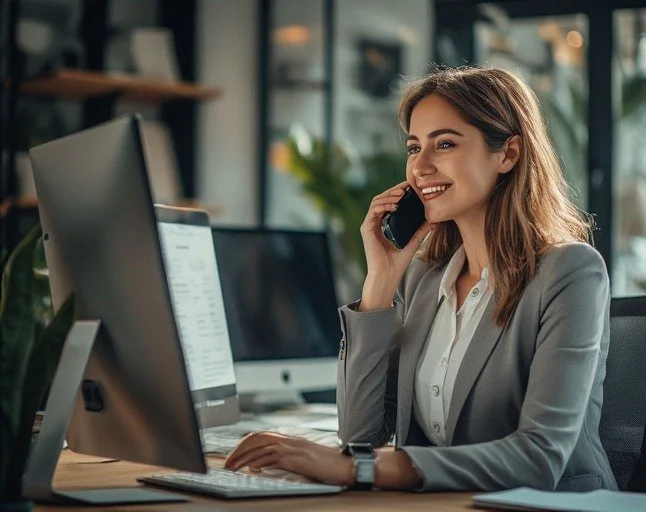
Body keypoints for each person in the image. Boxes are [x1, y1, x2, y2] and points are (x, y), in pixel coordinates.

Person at [224, 66, 619, 492]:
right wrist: (380, 283)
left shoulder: (570, 272)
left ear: (508, 154)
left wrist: (358, 469)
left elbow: (539, 458)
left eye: (444, 144)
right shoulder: (425, 281)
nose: (421, 167)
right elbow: (360, 433)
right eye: (414, 148)